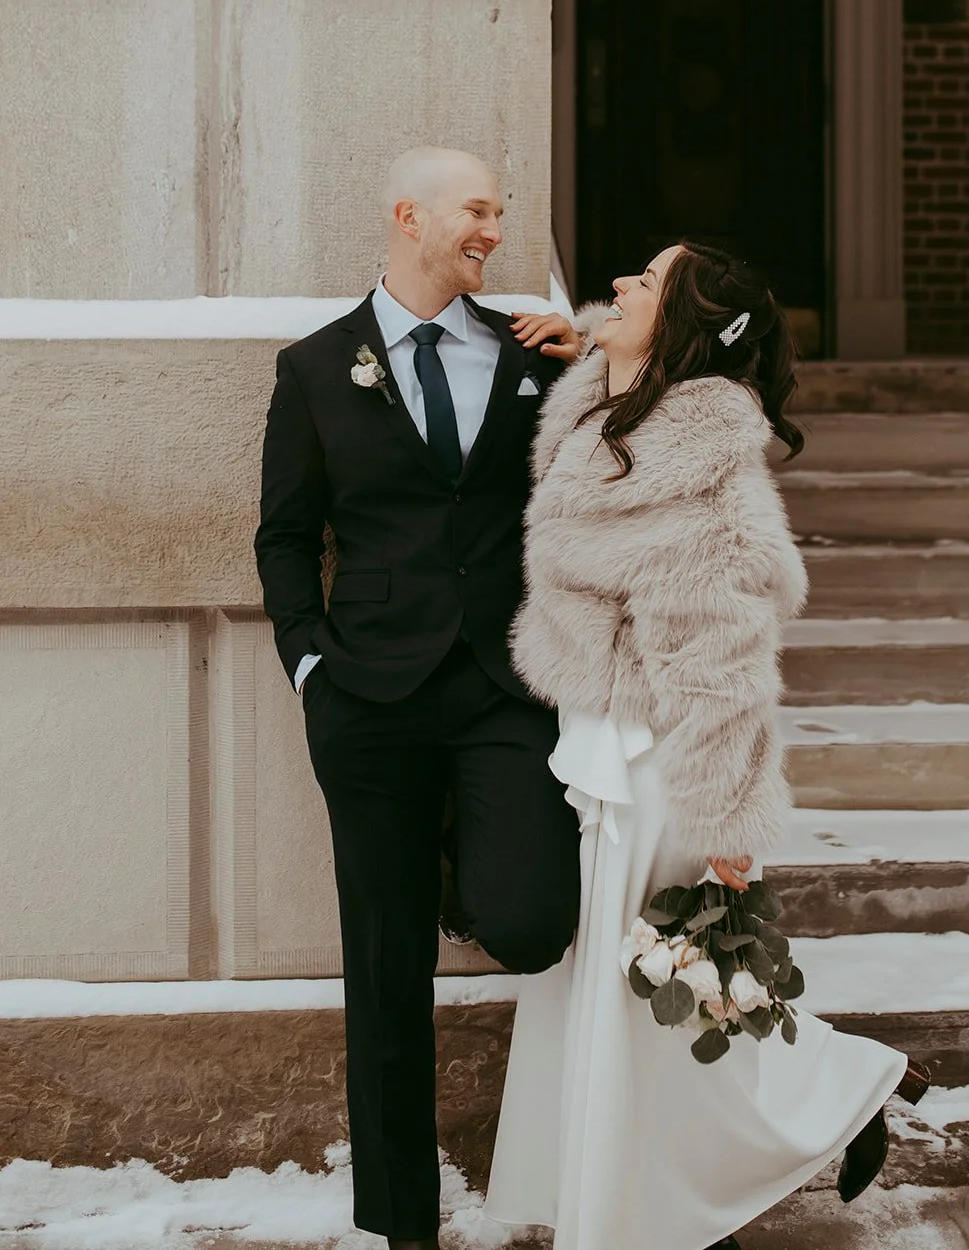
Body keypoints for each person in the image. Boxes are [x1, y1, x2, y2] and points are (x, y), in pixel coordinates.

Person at [486, 241, 928, 1250]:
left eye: (644, 283)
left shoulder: (703, 470)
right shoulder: (615, 404)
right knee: (639, 1004)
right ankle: (710, 1177)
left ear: (682, 325)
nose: (619, 289)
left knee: (657, 1007)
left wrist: (729, 823)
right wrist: (587, 341)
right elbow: (611, 378)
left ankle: (676, 1202)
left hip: (662, 768)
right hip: (597, 737)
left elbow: (722, 657)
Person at [254, 146, 591, 1250]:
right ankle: (401, 1220)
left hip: (504, 689)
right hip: (372, 700)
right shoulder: (313, 370)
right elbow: (287, 537)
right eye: (477, 211)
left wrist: (594, 357)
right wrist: (312, 668)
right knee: (384, 964)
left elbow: (618, 464)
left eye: (498, 212)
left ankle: (471, 862)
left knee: (535, 919)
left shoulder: (533, 354)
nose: (494, 230)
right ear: (410, 217)